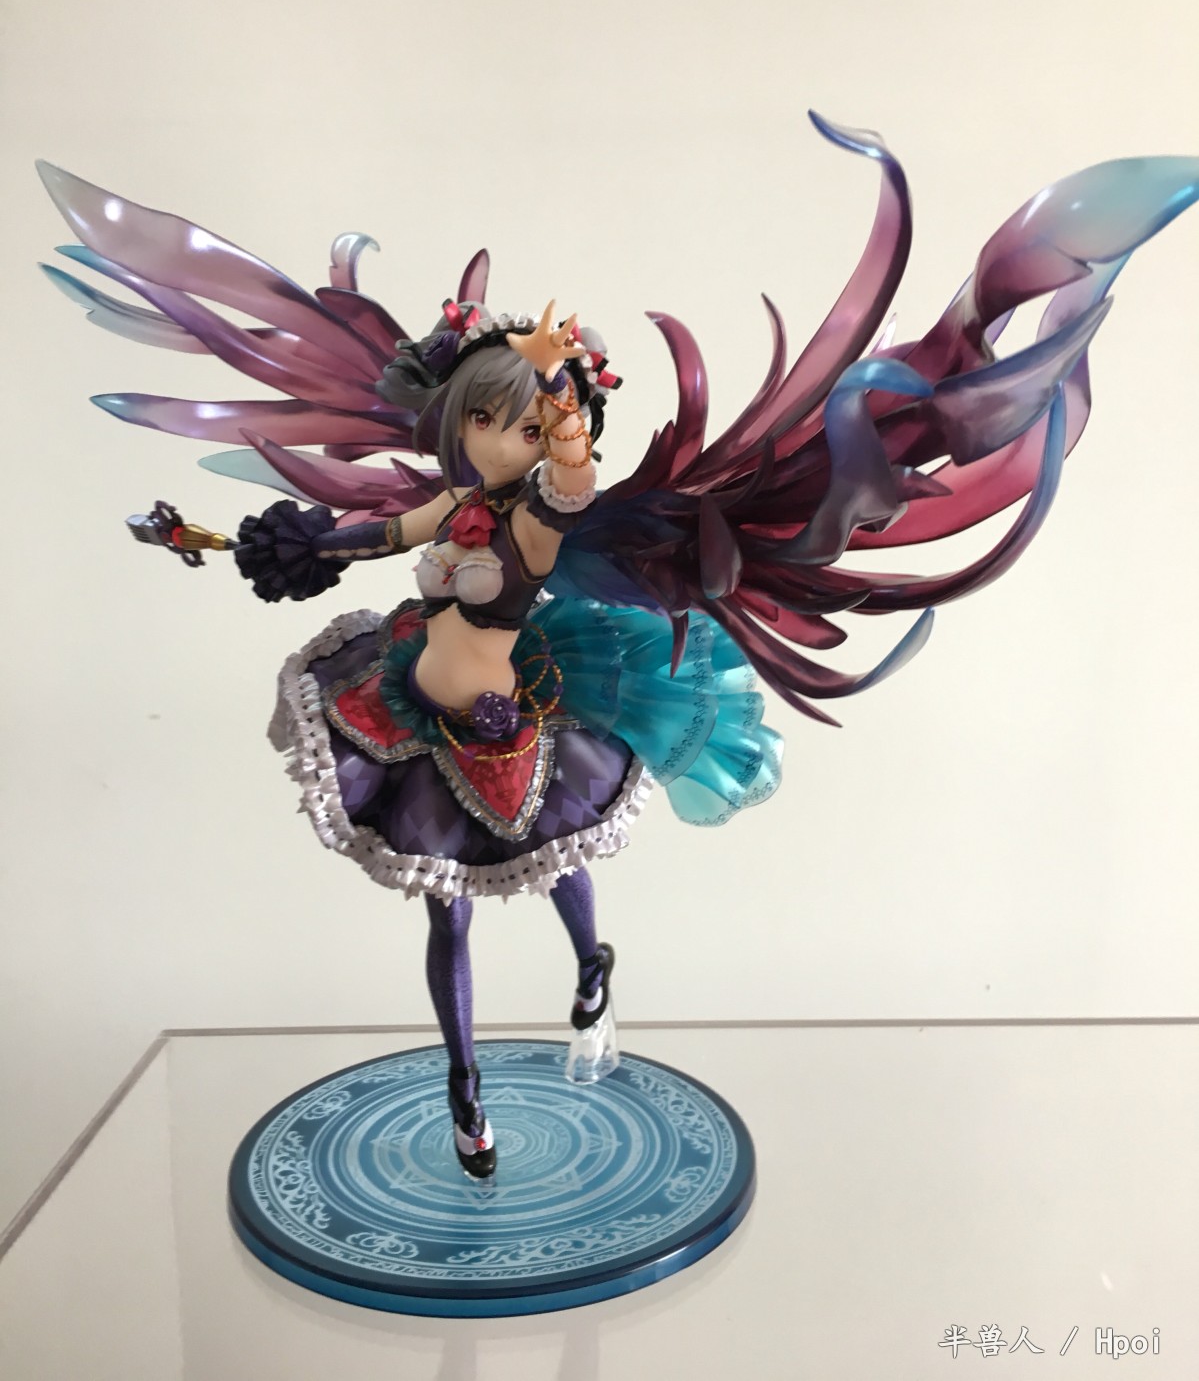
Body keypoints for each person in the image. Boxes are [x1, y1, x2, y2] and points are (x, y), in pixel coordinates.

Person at [37, 113, 1199, 1179]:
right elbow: (361, 536)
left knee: (549, 865)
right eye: (477, 416)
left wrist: (559, 408)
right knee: (446, 908)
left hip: (502, 720)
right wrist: (225, 538)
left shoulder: (544, 524)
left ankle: (591, 966)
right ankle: (464, 1091)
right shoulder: (452, 507)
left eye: (513, 422)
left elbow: (569, 477)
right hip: (406, 696)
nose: (488, 437)